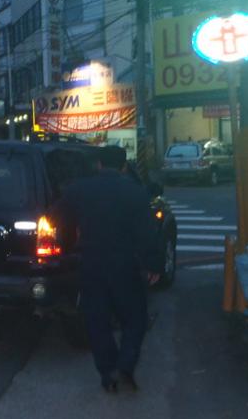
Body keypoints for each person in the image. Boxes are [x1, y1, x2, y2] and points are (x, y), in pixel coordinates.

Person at [51, 146, 163, 393]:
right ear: (123, 167)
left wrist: (70, 242)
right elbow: (147, 233)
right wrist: (153, 264)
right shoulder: (136, 192)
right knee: (135, 318)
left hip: (91, 262)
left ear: (98, 164)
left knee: (97, 320)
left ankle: (107, 371)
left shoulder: (78, 190)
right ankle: (125, 364)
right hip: (125, 264)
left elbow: (56, 217)